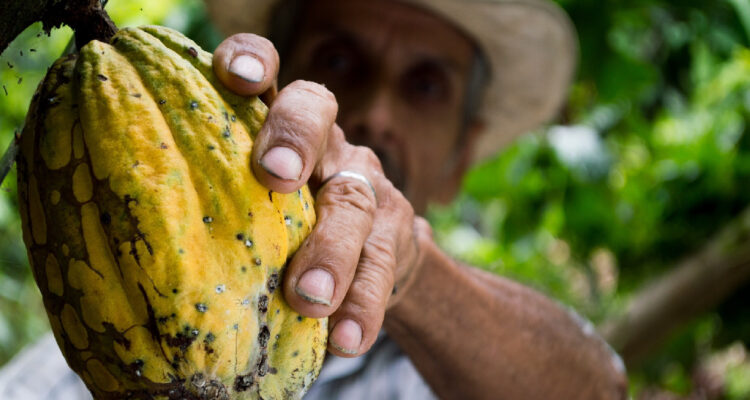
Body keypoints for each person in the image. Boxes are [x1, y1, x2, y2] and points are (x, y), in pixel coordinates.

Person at [0, 0, 628, 398]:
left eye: (426, 85)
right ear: (263, 86)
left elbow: (598, 388)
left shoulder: (451, 372)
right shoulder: (92, 354)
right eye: (338, 59)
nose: (378, 112)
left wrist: (408, 271)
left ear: (461, 160)